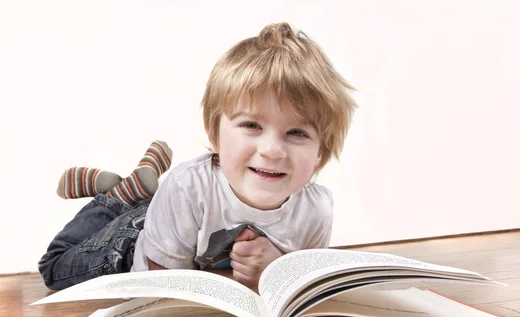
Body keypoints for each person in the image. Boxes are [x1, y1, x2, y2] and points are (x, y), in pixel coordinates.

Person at [38, 22, 357, 291]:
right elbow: (162, 289)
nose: (272, 149)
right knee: (54, 267)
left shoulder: (317, 211)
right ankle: (118, 199)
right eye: (251, 125)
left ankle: (140, 193)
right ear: (214, 133)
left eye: (297, 133)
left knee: (166, 210)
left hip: (177, 218)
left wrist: (278, 268)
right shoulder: (186, 187)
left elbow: (304, 287)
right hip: (133, 244)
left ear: (320, 152)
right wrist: (245, 280)